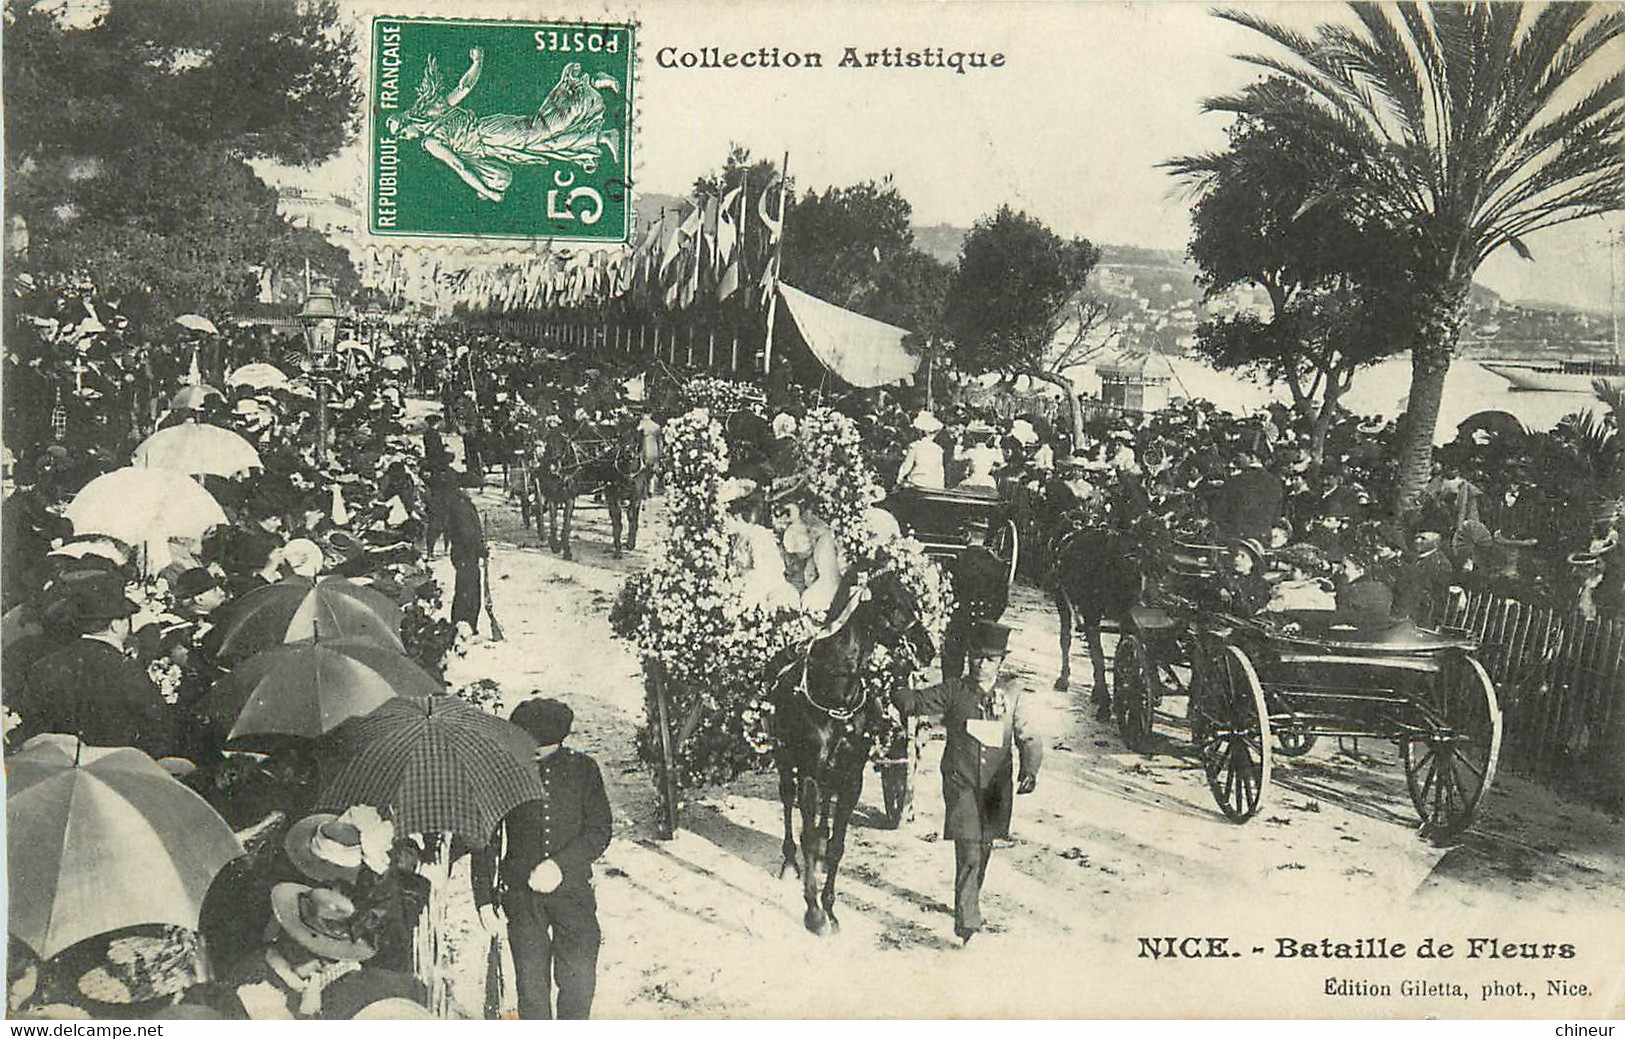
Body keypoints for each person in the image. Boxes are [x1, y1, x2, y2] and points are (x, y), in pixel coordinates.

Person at [897, 622, 1041, 945]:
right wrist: (896, 689)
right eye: (976, 657)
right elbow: (918, 702)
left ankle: (970, 897)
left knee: (984, 846)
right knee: (969, 845)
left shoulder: (1012, 695)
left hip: (995, 786)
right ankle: (967, 921)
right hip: (960, 781)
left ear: (1001, 662)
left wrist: (1030, 767)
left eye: (990, 659)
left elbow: (1028, 735)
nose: (981, 664)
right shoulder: (954, 691)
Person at [472, 698, 611, 1020]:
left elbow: (599, 830)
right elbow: (485, 838)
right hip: (521, 895)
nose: (531, 756)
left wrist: (559, 865)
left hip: (574, 891)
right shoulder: (503, 772)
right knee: (531, 989)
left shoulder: (583, 770)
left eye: (541, 751)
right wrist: (483, 899)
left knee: (579, 982)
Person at [13, 570, 174, 756]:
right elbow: (157, 727)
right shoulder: (126, 669)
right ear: (116, 624)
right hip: (112, 770)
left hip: (57, 766)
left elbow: (31, 724)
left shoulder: (44, 666)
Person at [941, 519, 1010, 681]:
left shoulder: (955, 561)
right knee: (979, 670)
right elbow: (1002, 601)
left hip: (958, 623)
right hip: (984, 626)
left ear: (967, 535)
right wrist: (989, 620)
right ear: (984, 537)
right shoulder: (998, 565)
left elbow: (945, 595)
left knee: (952, 666)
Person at [444, 478, 487, 633]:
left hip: (466, 553)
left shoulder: (462, 503)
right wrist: (480, 548)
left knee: (468, 589)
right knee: (467, 591)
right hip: (465, 553)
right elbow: (467, 534)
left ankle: (465, 624)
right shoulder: (461, 507)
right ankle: (463, 624)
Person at [895, 411, 946, 490]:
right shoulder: (938, 449)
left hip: (918, 483)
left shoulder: (915, 446)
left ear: (921, 432)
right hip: (935, 485)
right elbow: (940, 470)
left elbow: (906, 467)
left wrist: (899, 481)